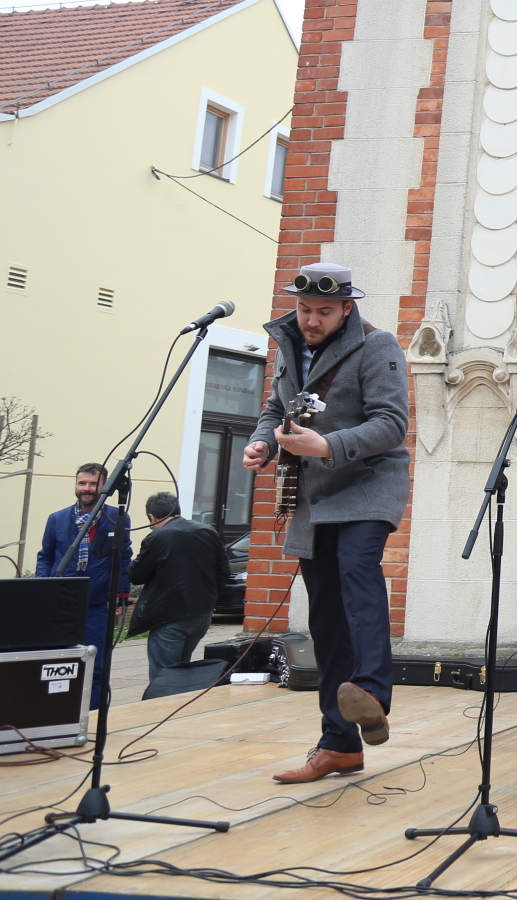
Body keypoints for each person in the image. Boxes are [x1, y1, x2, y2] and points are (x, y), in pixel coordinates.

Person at [241, 262, 411, 784]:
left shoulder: (378, 347)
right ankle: (339, 744)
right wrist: (263, 442)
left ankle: (372, 693)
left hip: (365, 486)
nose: (311, 320)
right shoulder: (288, 344)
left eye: (323, 312)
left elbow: (392, 423)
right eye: (304, 309)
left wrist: (328, 445)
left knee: (357, 570)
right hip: (314, 496)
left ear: (347, 309)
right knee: (326, 620)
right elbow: (276, 408)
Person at [37, 463, 131, 710]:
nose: (86, 488)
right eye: (82, 483)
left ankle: (92, 715)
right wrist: (43, 588)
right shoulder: (57, 519)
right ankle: (55, 712)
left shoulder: (117, 518)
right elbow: (45, 556)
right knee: (57, 662)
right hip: (61, 603)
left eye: (93, 484)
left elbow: (123, 558)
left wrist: (121, 595)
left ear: (104, 487)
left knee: (96, 665)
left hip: (97, 605)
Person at [128, 491, 231, 681]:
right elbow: (224, 572)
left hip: (168, 617)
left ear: (151, 517)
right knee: (182, 671)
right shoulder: (208, 531)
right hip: (202, 614)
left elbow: (136, 575)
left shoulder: (157, 537)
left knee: (164, 677)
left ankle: (163, 708)